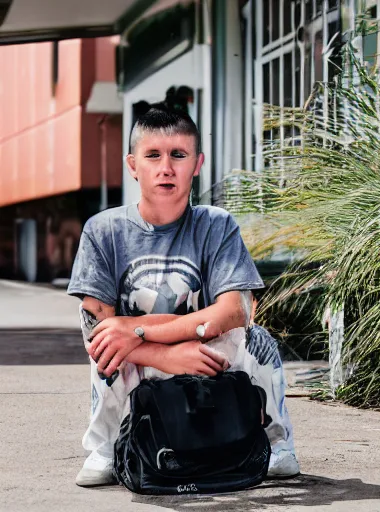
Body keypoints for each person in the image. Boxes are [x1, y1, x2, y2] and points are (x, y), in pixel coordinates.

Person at [67, 107, 300, 487]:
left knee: (257, 341)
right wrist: (168, 355)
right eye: (153, 155)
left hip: (203, 355)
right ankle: (106, 447)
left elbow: (233, 311)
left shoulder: (216, 224)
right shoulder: (103, 230)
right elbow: (96, 326)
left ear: (197, 163)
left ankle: (274, 444)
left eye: (178, 155)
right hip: (139, 362)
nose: (166, 167)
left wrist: (138, 329)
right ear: (132, 165)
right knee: (105, 342)